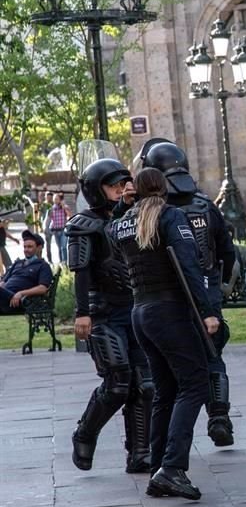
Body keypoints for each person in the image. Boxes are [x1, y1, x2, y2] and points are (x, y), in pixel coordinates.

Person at [112, 167, 219, 500]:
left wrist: (121, 206)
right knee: (195, 384)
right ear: (164, 187)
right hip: (170, 310)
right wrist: (207, 311)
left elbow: (110, 238)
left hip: (140, 312)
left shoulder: (123, 223)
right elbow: (189, 265)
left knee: (165, 390)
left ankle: (159, 466)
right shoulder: (170, 217)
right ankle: (172, 467)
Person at [141, 139, 238, 447]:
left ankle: (168, 446)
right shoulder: (205, 204)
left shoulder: (152, 213)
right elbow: (229, 253)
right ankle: (219, 415)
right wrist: (216, 289)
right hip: (207, 293)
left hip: (168, 299)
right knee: (213, 356)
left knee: (174, 373)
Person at [67, 160, 154, 474]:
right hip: (103, 312)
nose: (120, 189)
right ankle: (85, 433)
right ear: (95, 189)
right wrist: (82, 314)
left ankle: (141, 452)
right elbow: (80, 272)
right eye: (112, 185)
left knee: (145, 385)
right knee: (117, 382)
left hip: (135, 310)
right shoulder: (83, 224)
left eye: (123, 183)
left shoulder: (132, 217)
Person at [0, 230, 52, 314]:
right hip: (4, 298)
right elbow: (3, 282)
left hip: (18, 301)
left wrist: (21, 293)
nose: (26, 250)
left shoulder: (43, 266)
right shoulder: (18, 263)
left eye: (30, 247)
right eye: (25, 247)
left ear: (39, 247)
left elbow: (43, 288)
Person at [44, 192, 70, 264]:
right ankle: (61, 262)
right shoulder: (51, 209)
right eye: (54, 199)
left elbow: (69, 215)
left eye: (57, 199)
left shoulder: (65, 207)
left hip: (63, 230)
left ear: (60, 200)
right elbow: (49, 220)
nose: (55, 200)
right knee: (59, 248)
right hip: (55, 231)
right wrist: (47, 228)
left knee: (63, 247)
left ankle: (65, 262)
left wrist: (64, 207)